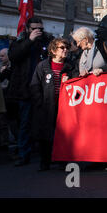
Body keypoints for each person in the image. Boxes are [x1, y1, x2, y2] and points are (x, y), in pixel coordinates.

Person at [72, 27, 107, 171]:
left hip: (106, 96)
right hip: (90, 97)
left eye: (78, 41)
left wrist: (103, 70)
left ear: (86, 39)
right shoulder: (82, 53)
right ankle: (97, 158)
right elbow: (75, 71)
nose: (77, 45)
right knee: (93, 128)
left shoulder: (105, 46)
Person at [7, 17, 53, 166]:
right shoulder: (19, 42)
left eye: (40, 28)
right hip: (25, 89)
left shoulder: (47, 41)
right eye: (34, 28)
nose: (38, 31)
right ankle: (23, 154)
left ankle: (46, 155)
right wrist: (30, 41)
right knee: (25, 123)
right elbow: (14, 57)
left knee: (45, 122)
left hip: (44, 89)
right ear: (28, 29)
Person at [30, 38, 74, 171]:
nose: (65, 50)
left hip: (64, 108)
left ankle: (62, 161)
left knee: (64, 134)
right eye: (62, 48)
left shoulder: (70, 66)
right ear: (53, 50)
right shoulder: (43, 66)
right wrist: (40, 103)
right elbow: (34, 85)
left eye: (66, 47)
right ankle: (45, 162)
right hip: (46, 107)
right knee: (45, 135)